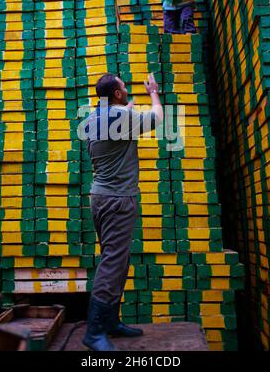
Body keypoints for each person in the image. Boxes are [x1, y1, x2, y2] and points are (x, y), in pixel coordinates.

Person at [80, 72, 163, 351]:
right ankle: (94, 332)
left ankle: (111, 322)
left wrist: (125, 112)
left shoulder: (92, 119)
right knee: (113, 263)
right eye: (124, 88)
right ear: (116, 94)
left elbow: (115, 123)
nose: (127, 91)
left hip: (100, 197)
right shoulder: (121, 118)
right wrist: (153, 92)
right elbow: (158, 118)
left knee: (117, 260)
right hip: (118, 201)